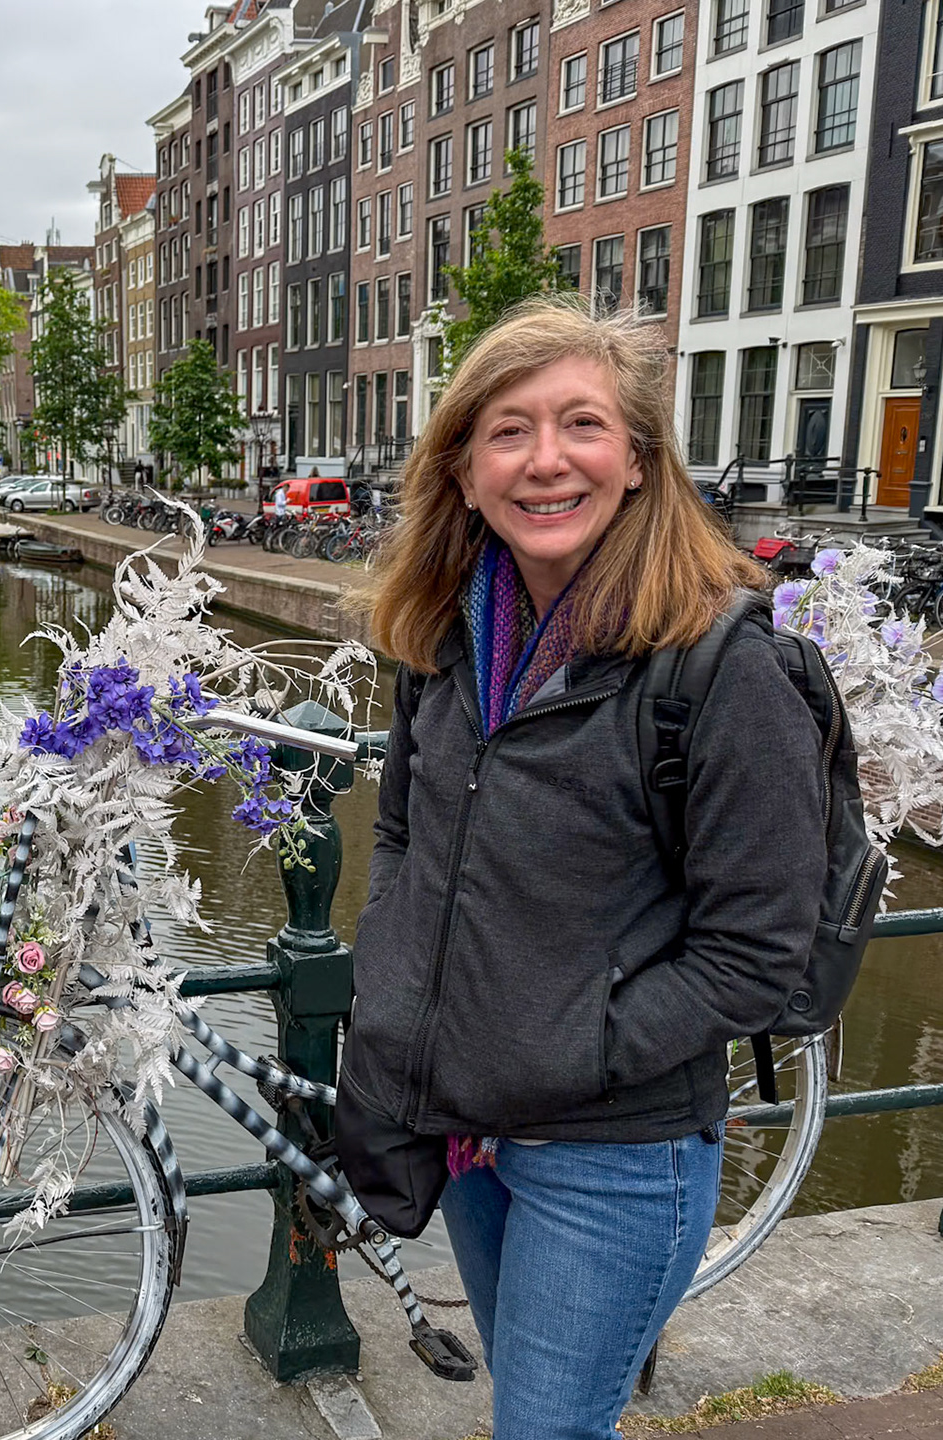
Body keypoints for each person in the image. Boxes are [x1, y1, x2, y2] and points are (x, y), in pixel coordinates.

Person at [344, 297, 826, 1439]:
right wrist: (400, 976)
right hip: (471, 1135)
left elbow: (760, 951)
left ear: (641, 463)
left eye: (581, 426)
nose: (545, 460)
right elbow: (406, 837)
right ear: (462, 472)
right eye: (507, 430)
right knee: (542, 1413)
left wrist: (571, 1044)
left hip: (617, 1153)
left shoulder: (722, 670)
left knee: (549, 1429)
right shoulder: (449, 642)